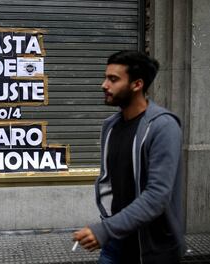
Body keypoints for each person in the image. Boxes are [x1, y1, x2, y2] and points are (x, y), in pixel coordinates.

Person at [73, 51, 185, 264]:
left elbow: (157, 196)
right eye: (106, 77)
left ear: (137, 85)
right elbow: (109, 181)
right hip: (115, 242)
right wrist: (108, 223)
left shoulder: (163, 127)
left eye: (113, 79)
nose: (104, 85)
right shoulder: (111, 126)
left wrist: (104, 230)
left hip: (152, 247)